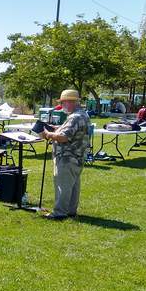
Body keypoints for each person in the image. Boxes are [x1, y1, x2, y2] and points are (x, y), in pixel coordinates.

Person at [40, 89, 92, 220]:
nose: (62, 105)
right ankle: (70, 211)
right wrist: (56, 128)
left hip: (67, 157)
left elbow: (64, 137)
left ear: (70, 102)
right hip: (77, 156)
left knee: (62, 186)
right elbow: (71, 131)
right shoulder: (82, 115)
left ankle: (59, 213)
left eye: (63, 102)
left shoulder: (75, 117)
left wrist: (48, 134)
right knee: (73, 186)